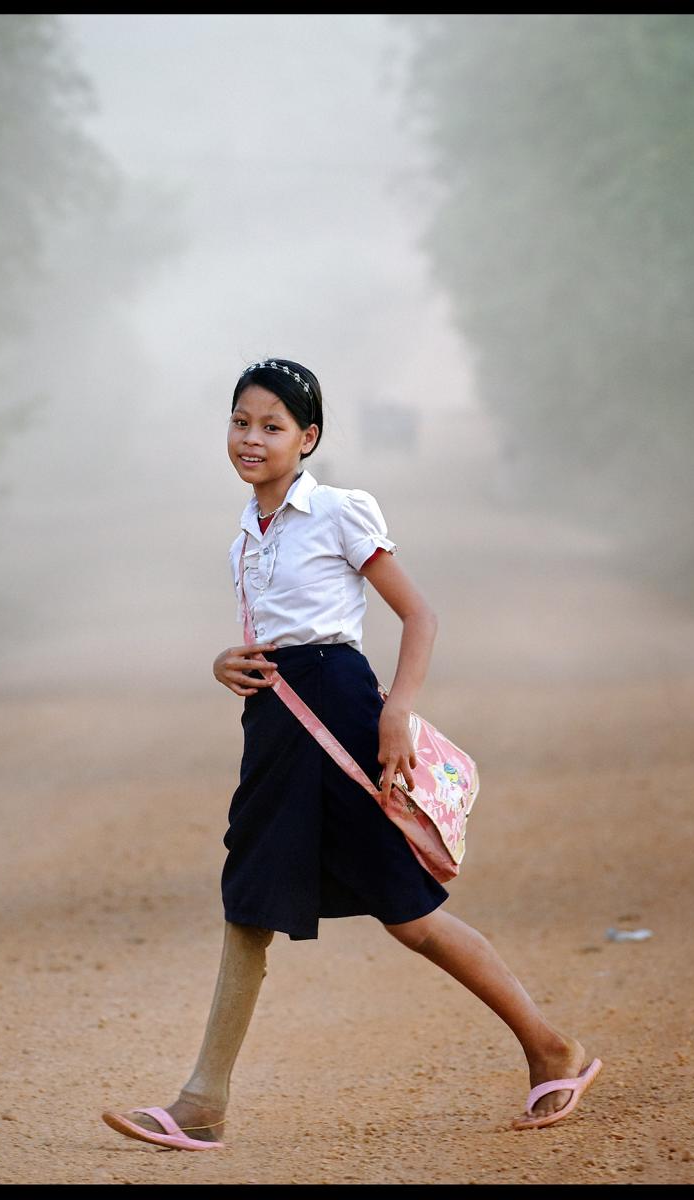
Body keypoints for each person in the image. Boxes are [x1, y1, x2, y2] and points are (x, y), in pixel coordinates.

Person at [100, 359, 600, 1150]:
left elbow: (419, 615)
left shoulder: (337, 511)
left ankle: (549, 1046)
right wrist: (224, 664)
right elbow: (274, 638)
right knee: (249, 899)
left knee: (409, 913)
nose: (252, 439)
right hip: (273, 727)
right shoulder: (244, 533)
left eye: (272, 426)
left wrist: (398, 711)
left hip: (340, 715)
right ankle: (203, 1100)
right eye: (241, 422)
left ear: (310, 438)